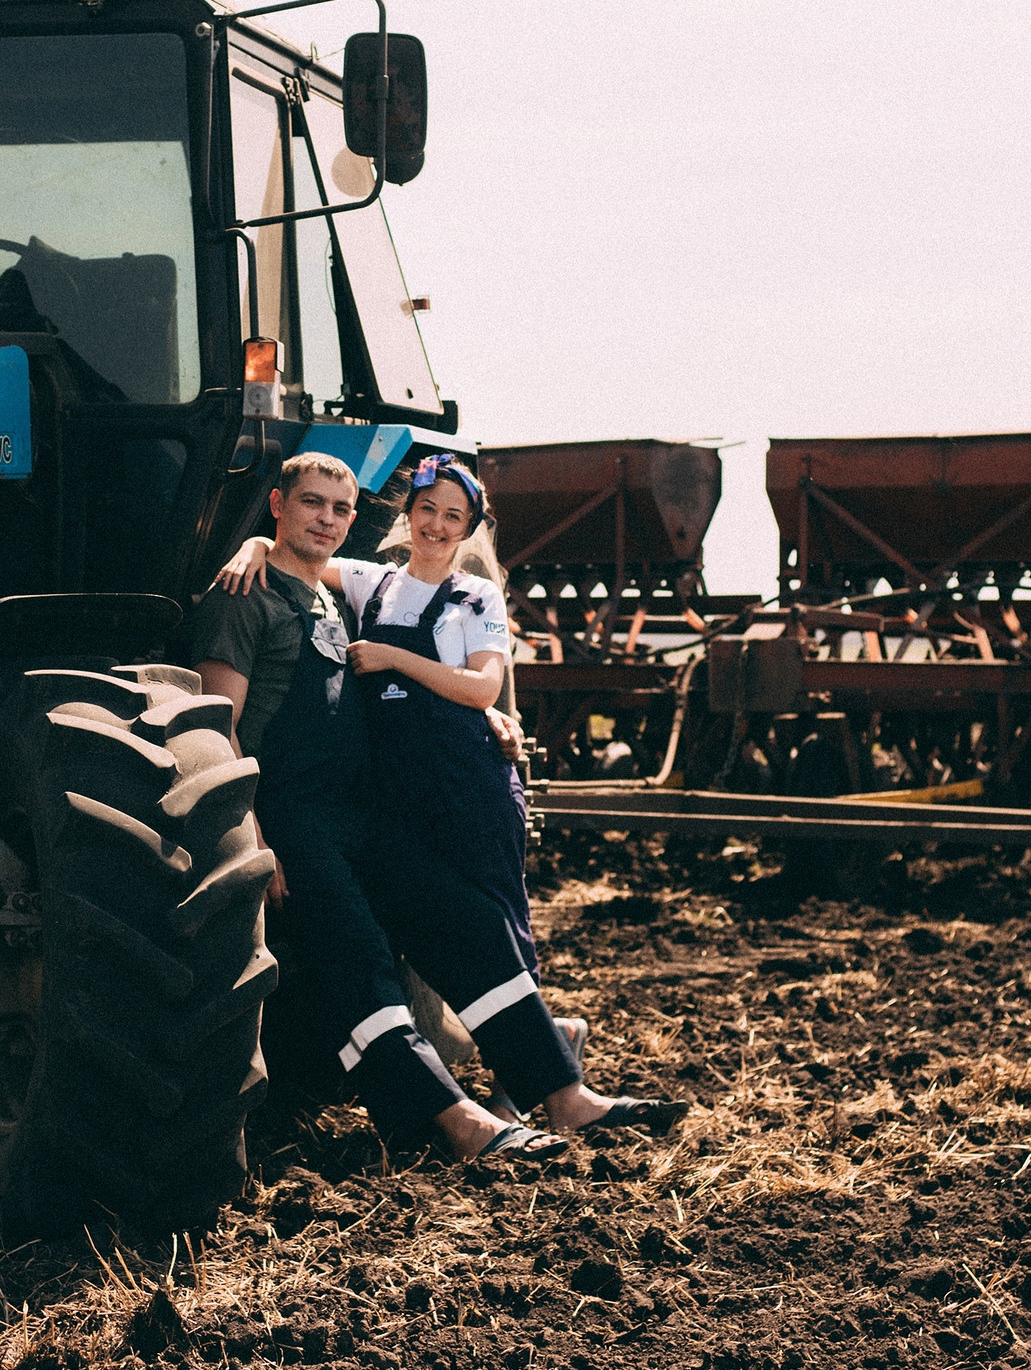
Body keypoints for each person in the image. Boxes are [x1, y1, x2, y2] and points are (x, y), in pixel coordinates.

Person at [187, 452, 676, 1158]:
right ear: (277, 506)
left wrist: (493, 717)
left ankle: (564, 1093)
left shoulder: (337, 596)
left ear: (354, 520)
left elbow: (460, 678)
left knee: (462, 918)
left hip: (359, 810)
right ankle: (455, 1120)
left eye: (339, 508)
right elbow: (216, 725)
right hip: (289, 816)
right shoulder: (244, 596)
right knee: (356, 954)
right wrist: (252, 835)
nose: (325, 518)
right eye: (310, 504)